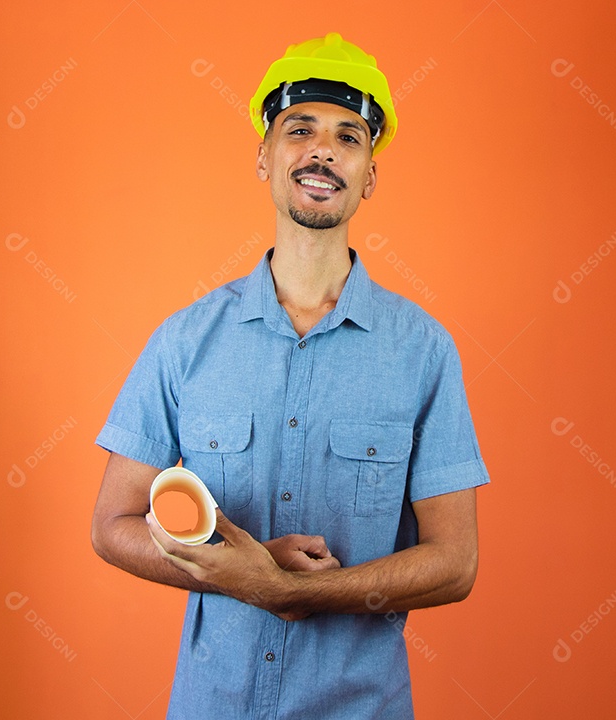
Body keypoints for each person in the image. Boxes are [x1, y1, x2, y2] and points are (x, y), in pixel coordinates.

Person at [90, 32, 489, 719]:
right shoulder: (184, 340)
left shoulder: (423, 351)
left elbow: (455, 564)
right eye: (299, 128)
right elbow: (113, 525)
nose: (322, 150)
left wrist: (288, 590)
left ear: (368, 175)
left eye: (349, 136)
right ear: (265, 156)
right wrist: (239, 576)